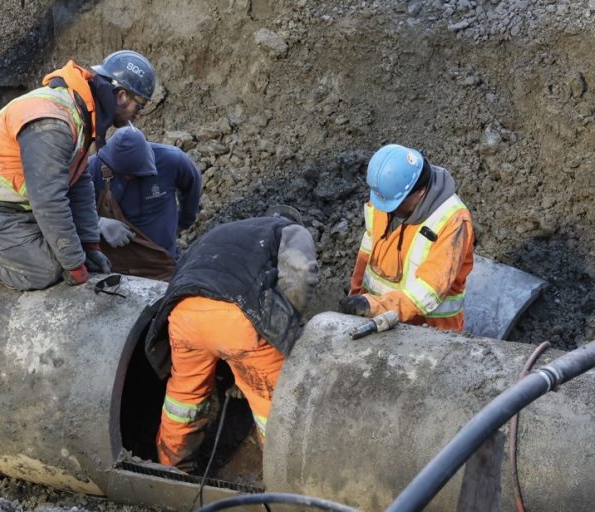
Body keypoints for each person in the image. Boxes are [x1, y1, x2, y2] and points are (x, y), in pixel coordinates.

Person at [0, 50, 157, 290]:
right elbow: (49, 201)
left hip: (13, 204)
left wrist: (89, 245)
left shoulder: (82, 113)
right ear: (122, 96)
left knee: (60, 249)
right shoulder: (54, 123)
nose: (137, 116)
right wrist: (74, 264)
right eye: (140, 106)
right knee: (43, 271)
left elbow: (79, 181)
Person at [143, 208, 320, 471]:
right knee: (271, 402)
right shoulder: (290, 230)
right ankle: (282, 474)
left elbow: (183, 273)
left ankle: (172, 467)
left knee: (184, 397)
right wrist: (284, 326)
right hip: (237, 319)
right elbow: (302, 273)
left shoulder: (222, 232)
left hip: (183, 314)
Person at [340, 144, 474, 331]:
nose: (388, 210)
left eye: (396, 204)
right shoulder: (387, 199)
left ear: (420, 191)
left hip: (430, 334)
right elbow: (367, 251)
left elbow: (430, 290)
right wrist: (357, 297)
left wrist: (376, 306)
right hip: (377, 322)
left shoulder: (452, 220)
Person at [87, 124, 202, 280]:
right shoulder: (94, 168)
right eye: (123, 174)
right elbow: (68, 208)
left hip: (161, 262)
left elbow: (191, 187)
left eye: (134, 174)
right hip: (115, 266)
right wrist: (99, 223)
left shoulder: (172, 160)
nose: (128, 178)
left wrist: (183, 223)